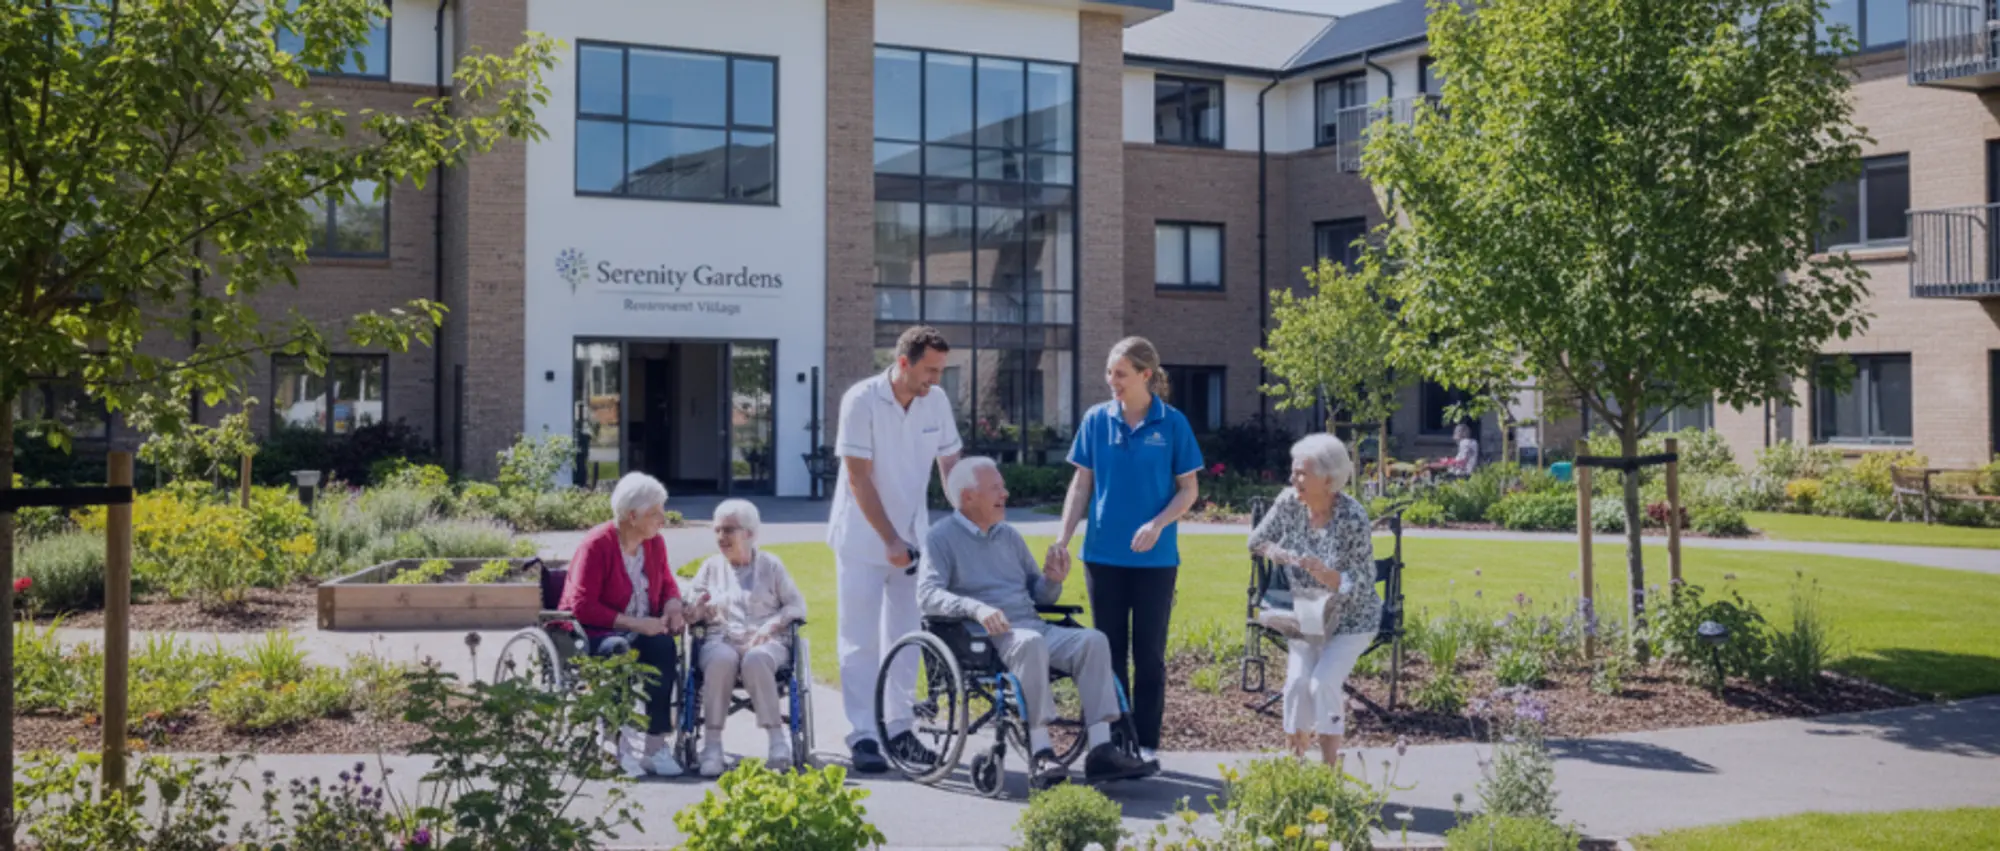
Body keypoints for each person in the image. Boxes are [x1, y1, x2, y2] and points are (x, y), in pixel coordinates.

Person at [918, 458, 1157, 787]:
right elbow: (928, 595)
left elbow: (1040, 595)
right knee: (1030, 643)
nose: (1005, 493)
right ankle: (1041, 750)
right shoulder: (941, 538)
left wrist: (1052, 580)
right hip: (984, 637)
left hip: (1030, 626)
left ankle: (1101, 749)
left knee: (1093, 641)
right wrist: (977, 609)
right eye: (996, 488)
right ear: (968, 496)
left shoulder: (1008, 536)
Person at [1049, 336, 1201, 766]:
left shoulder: (1172, 424)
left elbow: (1188, 490)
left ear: (1145, 375)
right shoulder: (1096, 420)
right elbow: (1081, 485)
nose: (1111, 381)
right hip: (1103, 557)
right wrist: (1063, 538)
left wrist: (1157, 524)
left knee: (1149, 655)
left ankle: (1147, 743)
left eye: (1120, 374)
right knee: (1108, 653)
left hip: (1155, 561)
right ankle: (1114, 742)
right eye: (1109, 373)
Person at [830, 325, 962, 773]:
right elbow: (858, 477)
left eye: (941, 371)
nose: (936, 380)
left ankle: (900, 730)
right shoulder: (861, 400)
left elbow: (950, 463)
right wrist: (888, 538)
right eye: (930, 370)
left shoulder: (935, 400)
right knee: (860, 640)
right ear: (903, 362)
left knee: (907, 638)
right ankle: (864, 734)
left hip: (914, 540)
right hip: (861, 540)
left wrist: (965, 516)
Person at [1245, 433, 1380, 769]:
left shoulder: (1352, 517)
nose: (1294, 480)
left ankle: (1329, 772)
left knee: (1323, 684)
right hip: (1307, 613)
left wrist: (1328, 575)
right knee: (1296, 684)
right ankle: (1295, 768)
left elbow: (1363, 581)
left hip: (1352, 618)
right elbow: (1256, 541)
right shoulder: (1289, 502)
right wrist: (1275, 552)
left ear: (1329, 480)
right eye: (1293, 472)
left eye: (1302, 474)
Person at [557, 471, 688, 778]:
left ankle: (655, 745)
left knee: (663, 646)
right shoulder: (597, 544)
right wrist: (636, 624)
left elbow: (667, 583)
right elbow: (582, 605)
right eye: (656, 513)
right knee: (618, 649)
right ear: (632, 516)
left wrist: (672, 606)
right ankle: (617, 744)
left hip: (640, 631)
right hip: (593, 632)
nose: (663, 519)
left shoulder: (654, 544)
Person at [685, 499, 808, 776]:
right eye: (717, 530)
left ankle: (777, 742)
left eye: (729, 530)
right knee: (720, 659)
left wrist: (771, 626)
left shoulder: (771, 566)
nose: (721, 537)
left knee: (756, 659)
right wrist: (697, 610)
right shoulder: (710, 567)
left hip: (766, 640)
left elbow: (797, 606)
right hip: (721, 638)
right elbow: (692, 610)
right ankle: (712, 746)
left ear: (749, 533)